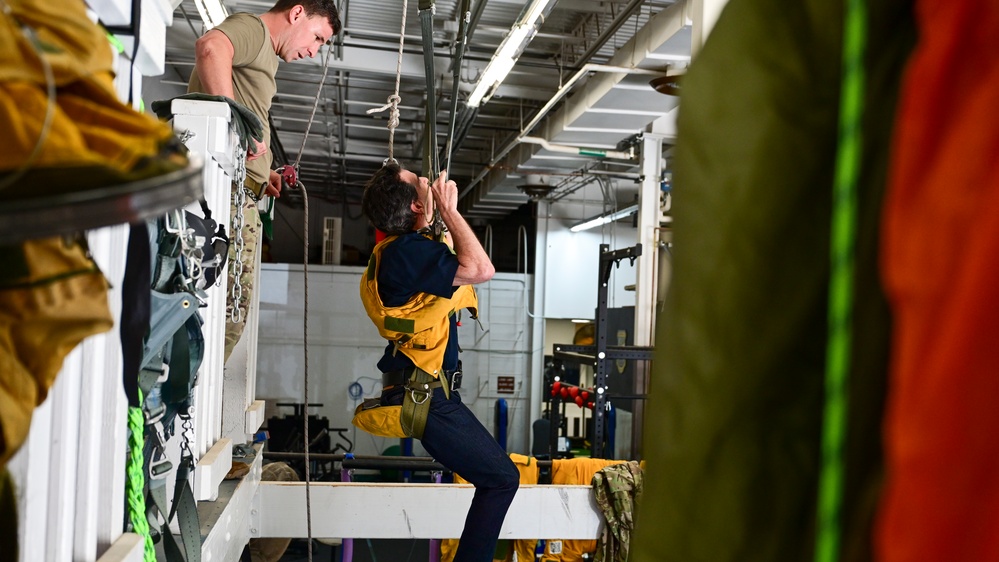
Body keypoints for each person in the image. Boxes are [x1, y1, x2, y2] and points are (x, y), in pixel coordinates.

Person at [359, 163, 520, 562]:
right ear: (416, 205)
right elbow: (480, 269)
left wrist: (438, 217)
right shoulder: (405, 252)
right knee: (501, 479)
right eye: (420, 182)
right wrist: (448, 209)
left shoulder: (401, 252)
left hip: (425, 394)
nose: (428, 183)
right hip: (428, 398)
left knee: (498, 479)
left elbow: (450, 257)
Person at [188, 0, 341, 361]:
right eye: (317, 37)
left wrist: (265, 170)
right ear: (297, 13)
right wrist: (236, 122)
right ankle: (188, 396)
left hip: (241, 190)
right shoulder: (254, 30)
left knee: (229, 312)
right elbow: (210, 48)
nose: (314, 50)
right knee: (227, 313)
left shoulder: (266, 54)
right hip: (226, 194)